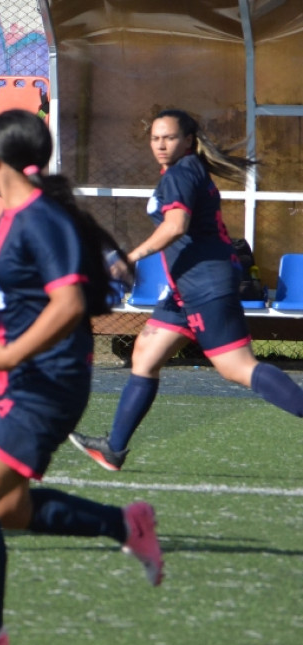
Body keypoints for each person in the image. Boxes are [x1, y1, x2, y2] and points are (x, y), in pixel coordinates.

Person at [0, 110, 163, 645]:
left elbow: (69, 304)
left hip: (48, 381)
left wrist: (11, 350)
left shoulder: (39, 218)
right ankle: (125, 524)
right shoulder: (14, 214)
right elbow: (27, 298)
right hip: (18, 376)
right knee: (8, 508)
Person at [69, 109, 303, 472]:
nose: (161, 145)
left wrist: (130, 258)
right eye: (155, 138)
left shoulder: (180, 174)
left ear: (188, 141)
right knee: (145, 355)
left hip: (206, 284)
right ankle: (114, 448)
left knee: (238, 368)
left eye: (169, 137)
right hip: (185, 286)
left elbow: (176, 225)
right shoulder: (185, 170)